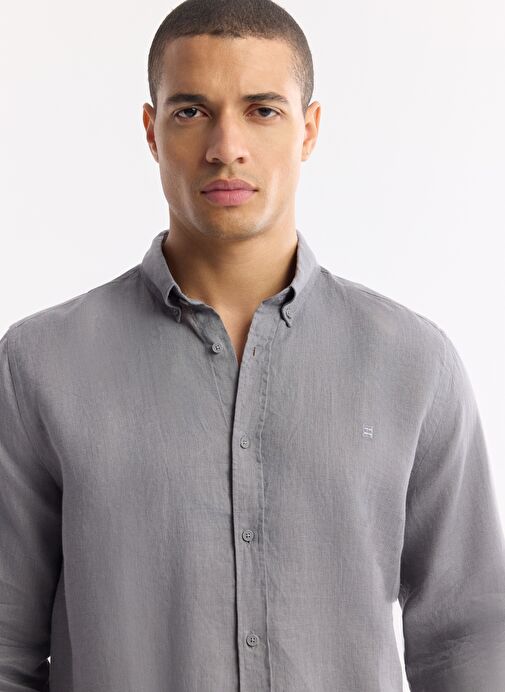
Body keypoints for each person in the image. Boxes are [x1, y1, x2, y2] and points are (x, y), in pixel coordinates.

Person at [1, 0, 504, 690]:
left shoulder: (415, 365)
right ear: (151, 131)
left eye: (262, 110)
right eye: (191, 111)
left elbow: (468, 639)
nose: (226, 147)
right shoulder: (39, 366)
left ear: (309, 128)